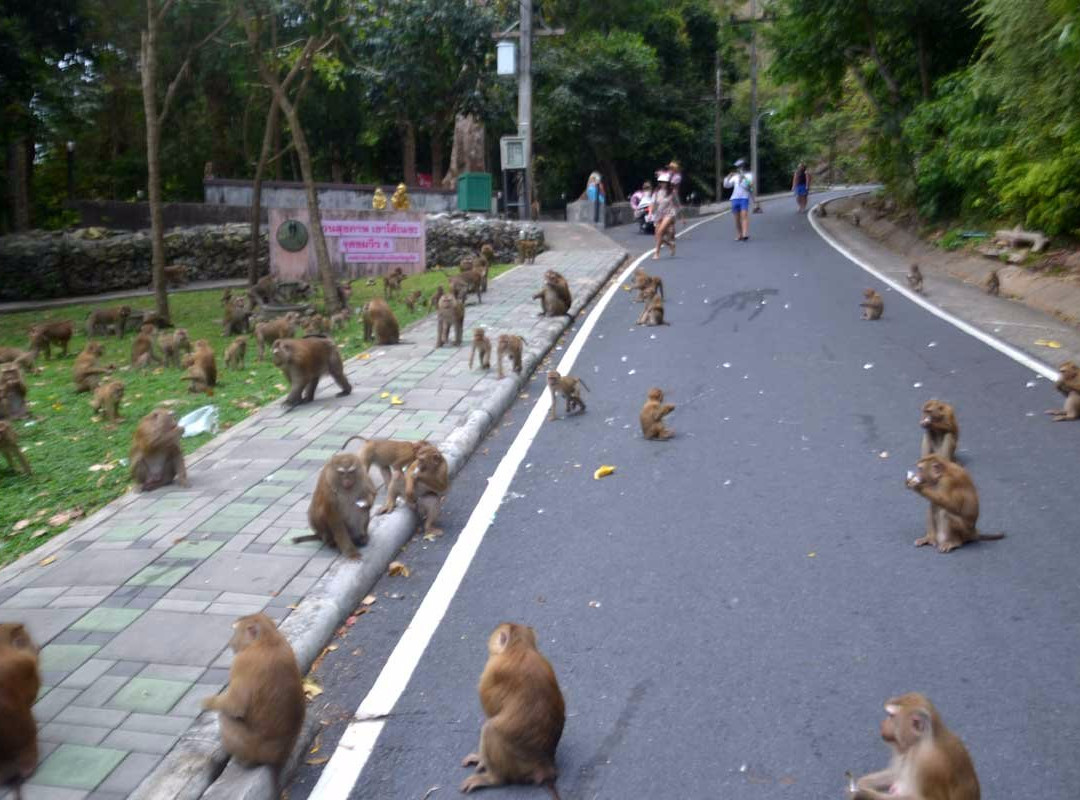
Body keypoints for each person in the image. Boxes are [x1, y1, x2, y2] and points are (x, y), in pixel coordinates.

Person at [723, 158, 753, 241]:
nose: (739, 169)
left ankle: (745, 234)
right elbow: (726, 185)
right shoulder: (735, 176)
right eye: (738, 167)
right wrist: (728, 177)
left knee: (744, 215)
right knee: (737, 218)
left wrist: (743, 178)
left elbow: (750, 185)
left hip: (744, 198)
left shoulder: (749, 175)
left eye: (740, 167)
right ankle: (739, 234)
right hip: (735, 198)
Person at [651, 173, 678, 259]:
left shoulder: (672, 192)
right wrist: (650, 213)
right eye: (661, 182)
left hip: (669, 214)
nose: (663, 183)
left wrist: (680, 217)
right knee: (657, 236)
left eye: (664, 182)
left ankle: (657, 253)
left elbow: (677, 204)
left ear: (668, 183)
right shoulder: (656, 193)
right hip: (659, 214)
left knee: (660, 231)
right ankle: (670, 244)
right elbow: (653, 204)